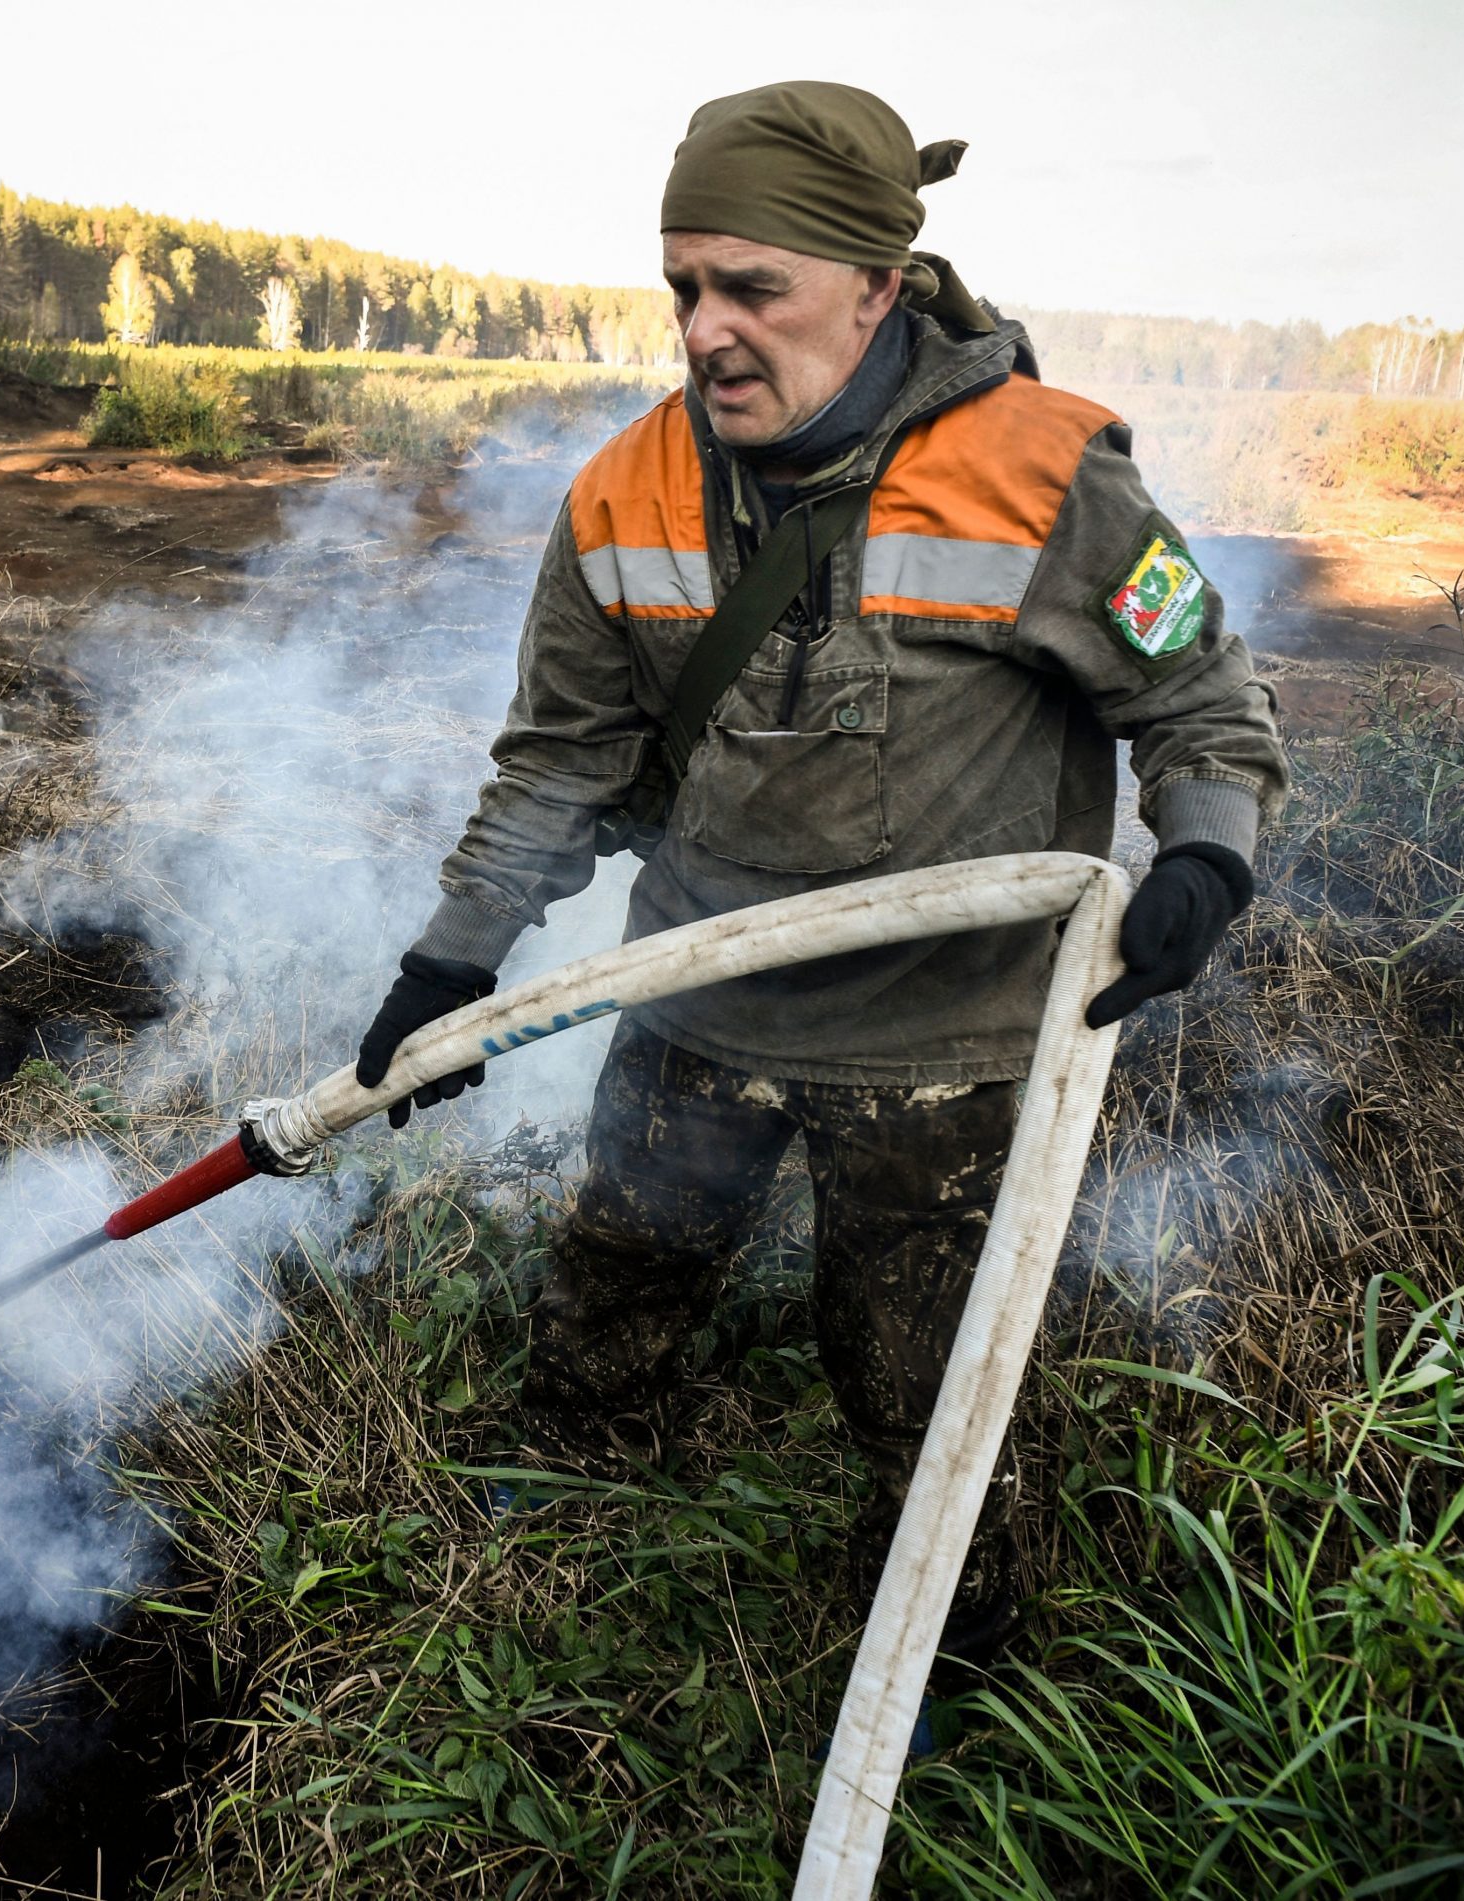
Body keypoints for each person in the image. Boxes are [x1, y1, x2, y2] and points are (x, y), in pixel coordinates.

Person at [354, 81, 1286, 1661]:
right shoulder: (620, 495)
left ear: (874, 282)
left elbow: (1195, 691)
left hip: (950, 1044)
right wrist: (450, 963)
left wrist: (1203, 854)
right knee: (619, 1279)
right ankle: (555, 1521)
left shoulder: (1051, 477)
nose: (705, 331)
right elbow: (561, 764)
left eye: (751, 289)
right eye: (684, 289)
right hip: (696, 1000)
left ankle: (954, 1645)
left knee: (928, 1379)